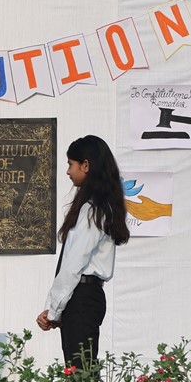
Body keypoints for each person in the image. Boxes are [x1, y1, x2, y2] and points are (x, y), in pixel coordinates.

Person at [36, 135, 130, 367]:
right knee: (79, 369)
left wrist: (54, 310)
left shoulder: (93, 210)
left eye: (71, 164)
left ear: (85, 165)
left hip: (82, 296)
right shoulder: (97, 207)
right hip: (82, 297)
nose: (68, 171)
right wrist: (56, 307)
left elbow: (73, 263)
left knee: (80, 372)